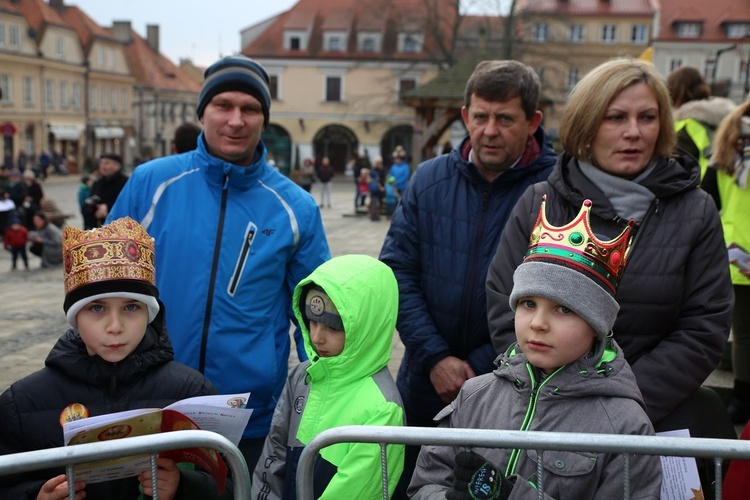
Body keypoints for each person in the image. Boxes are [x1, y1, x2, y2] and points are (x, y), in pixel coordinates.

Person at [486, 57, 735, 490]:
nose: (633, 132)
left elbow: (704, 327)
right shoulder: (538, 202)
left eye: (647, 117)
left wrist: (619, 404)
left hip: (655, 414)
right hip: (547, 414)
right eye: (615, 117)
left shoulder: (696, 212)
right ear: (586, 124)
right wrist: (564, 397)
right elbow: (504, 303)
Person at [107, 54, 331, 471]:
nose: (235, 120)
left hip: (247, 409)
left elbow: (314, 313)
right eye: (223, 106)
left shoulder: (295, 207)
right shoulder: (151, 182)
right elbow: (103, 286)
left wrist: (327, 392)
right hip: (152, 396)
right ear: (203, 112)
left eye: (250, 109)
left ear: (264, 118)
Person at [379, 59, 556, 497]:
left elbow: (554, 292)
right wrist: (435, 356)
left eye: (505, 118)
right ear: (465, 117)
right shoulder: (429, 179)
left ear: (533, 122)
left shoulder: (557, 189)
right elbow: (397, 270)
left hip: (511, 383)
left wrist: (481, 364)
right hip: (424, 378)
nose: (490, 130)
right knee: (411, 486)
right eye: (480, 117)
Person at [409, 198, 661, 499]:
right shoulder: (474, 396)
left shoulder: (624, 425)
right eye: (528, 304)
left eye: (563, 309)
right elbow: (425, 484)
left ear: (596, 324)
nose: (538, 323)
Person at [0, 217, 227, 499]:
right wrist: (36, 495)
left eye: (131, 307)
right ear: (74, 317)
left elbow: (227, 484)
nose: (115, 326)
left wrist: (184, 487)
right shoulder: (22, 402)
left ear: (150, 314)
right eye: (96, 308)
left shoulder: (191, 392)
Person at [251, 255, 405, 499]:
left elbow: (356, 491)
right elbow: (274, 455)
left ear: (367, 327)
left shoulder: (383, 409)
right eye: (312, 322)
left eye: (333, 328)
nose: (316, 338)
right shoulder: (302, 376)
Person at [705, 99, 750, 424]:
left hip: (735, 254)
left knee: (745, 335)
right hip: (738, 256)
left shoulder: (724, 156)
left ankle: (741, 399)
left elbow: (706, 205)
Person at [668, 65, 737, 178]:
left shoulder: (684, 128)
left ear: (675, 92)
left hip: (699, 189)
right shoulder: (731, 119)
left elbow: (675, 174)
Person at [88, 153, 128, 228]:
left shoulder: (125, 182)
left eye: (106, 163)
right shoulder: (98, 182)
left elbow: (126, 202)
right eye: (101, 163)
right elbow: (93, 197)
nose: (103, 166)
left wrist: (108, 207)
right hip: (98, 226)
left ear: (117, 166)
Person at [369, 156, 385, 221]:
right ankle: (373, 215)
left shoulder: (382, 170)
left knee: (379, 202)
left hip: (380, 188)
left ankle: (378, 215)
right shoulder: (373, 170)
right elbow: (373, 180)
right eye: (377, 162)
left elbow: (383, 178)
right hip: (375, 189)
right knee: (373, 202)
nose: (378, 164)